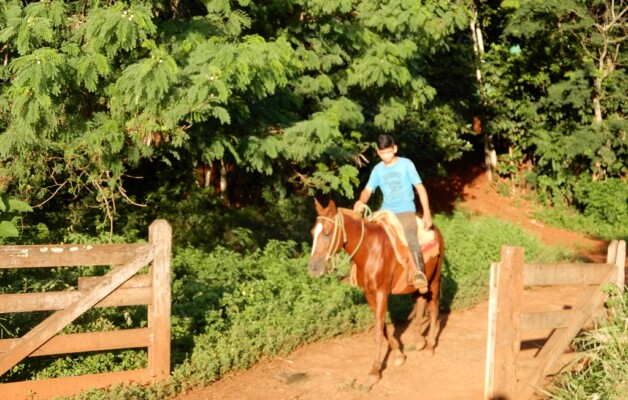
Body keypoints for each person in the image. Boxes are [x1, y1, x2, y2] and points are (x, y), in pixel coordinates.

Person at [353, 134, 433, 294]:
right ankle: (355, 272)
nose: (386, 156)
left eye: (389, 152)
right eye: (383, 153)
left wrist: (427, 213)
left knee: (411, 236)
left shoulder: (406, 165)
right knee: (363, 232)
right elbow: (368, 190)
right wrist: (361, 202)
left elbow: (420, 189)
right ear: (378, 152)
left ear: (394, 149)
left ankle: (419, 273)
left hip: (405, 210)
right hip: (386, 211)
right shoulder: (377, 170)